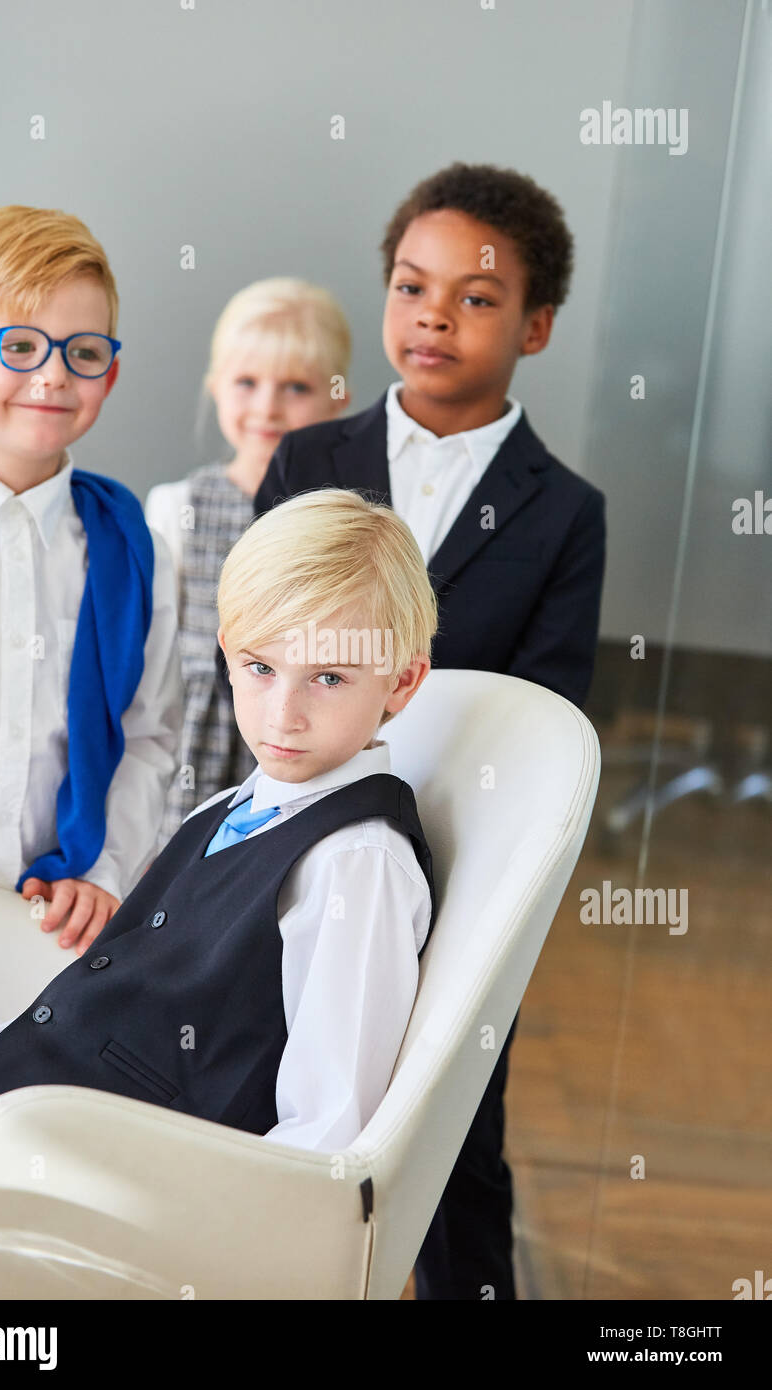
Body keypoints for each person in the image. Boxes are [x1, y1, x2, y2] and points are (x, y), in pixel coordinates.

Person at [226, 162, 608, 1299]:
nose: (434, 315)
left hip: (455, 861)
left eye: (476, 297)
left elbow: (545, 715)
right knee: (283, 1075)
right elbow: (250, 642)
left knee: (451, 1120)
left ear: (535, 326)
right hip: (299, 824)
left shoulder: (564, 511)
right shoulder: (310, 461)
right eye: (410, 285)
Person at [0, 489, 438, 1182]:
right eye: (261, 668)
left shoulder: (356, 864)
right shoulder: (221, 810)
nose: (284, 715)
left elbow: (328, 1130)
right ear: (226, 652)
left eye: (329, 678)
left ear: (401, 683)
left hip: (81, 1170)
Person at [0, 205, 182, 955]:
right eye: (20, 345)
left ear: (109, 373)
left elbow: (146, 736)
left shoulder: (132, 548)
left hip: (47, 933)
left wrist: (108, 870)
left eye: (83, 351)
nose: (55, 374)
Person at [145, 278, 352, 849]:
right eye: (246, 383)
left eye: (295, 387)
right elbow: (155, 645)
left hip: (300, 728)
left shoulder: (344, 521)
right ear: (215, 386)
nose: (267, 406)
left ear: (338, 399)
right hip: (192, 737)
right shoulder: (176, 506)